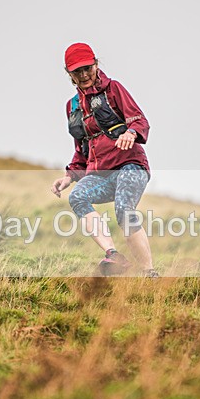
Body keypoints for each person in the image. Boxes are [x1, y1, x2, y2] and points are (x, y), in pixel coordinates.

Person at [50, 43, 158, 277]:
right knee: (78, 196)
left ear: (96, 65)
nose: (84, 75)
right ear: (69, 74)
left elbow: (140, 121)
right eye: (77, 71)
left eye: (87, 68)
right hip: (101, 174)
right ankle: (113, 255)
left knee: (124, 210)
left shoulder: (113, 89)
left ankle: (149, 273)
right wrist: (69, 176)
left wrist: (131, 133)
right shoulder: (72, 106)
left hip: (131, 166)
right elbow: (82, 150)